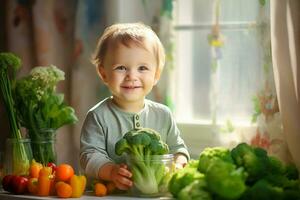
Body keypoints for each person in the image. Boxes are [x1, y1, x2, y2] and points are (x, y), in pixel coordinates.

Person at [80, 22, 190, 191]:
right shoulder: (98, 116)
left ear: (156, 75)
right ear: (103, 73)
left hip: (155, 193)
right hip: (109, 194)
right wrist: (111, 172)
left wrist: (179, 163)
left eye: (142, 68)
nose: (132, 76)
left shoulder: (163, 114)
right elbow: (89, 156)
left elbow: (178, 149)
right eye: (121, 68)